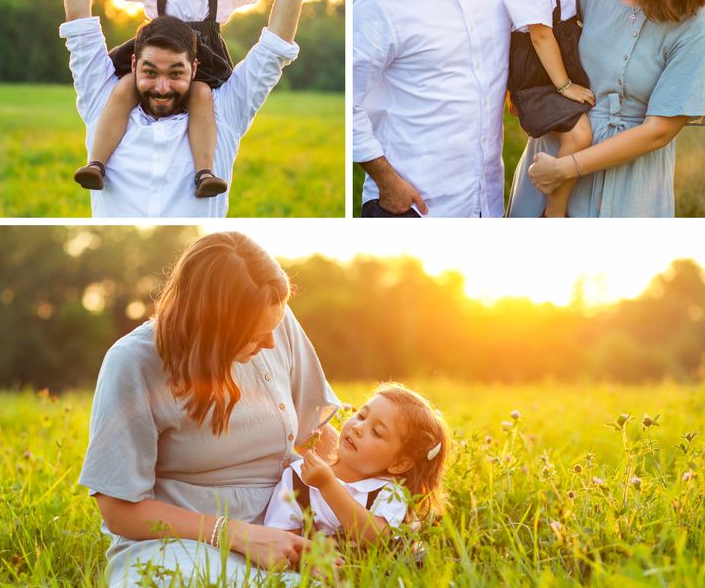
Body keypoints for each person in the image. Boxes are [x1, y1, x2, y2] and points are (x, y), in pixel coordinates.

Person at [80, 232, 341, 587]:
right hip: (180, 542)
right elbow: (119, 511)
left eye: (275, 328)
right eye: (252, 335)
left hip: (285, 531)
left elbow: (317, 437)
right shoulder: (133, 362)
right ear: (209, 328)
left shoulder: (272, 317)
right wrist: (236, 535)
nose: (269, 343)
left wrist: (345, 506)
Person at [56, 0, 313, 218]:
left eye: (175, 73)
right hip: (148, 52)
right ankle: (96, 163)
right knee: (123, 88)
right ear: (134, 63)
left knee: (203, 93)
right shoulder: (104, 98)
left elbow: (269, 3)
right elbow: (91, 0)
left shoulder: (225, 111)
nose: (162, 86)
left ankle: (204, 171)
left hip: (209, 58)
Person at [508, 0, 705, 217]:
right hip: (552, 159)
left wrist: (566, 168)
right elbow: (534, 14)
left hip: (627, 183)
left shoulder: (701, 26)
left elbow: (659, 131)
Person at [354, 0, 511, 218]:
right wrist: (386, 179)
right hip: (410, 209)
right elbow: (347, 100)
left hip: (486, 204)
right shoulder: (381, 2)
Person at [503, 0, 595, 218]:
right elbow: (541, 37)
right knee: (580, 135)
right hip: (540, 84)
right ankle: (554, 210)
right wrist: (565, 85)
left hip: (556, 79)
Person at [264, 384, 449, 542]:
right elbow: (282, 539)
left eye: (376, 432)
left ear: (399, 463)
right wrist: (306, 561)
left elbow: (377, 537)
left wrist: (327, 485)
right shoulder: (298, 477)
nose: (358, 428)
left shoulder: (390, 491)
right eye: (361, 415)